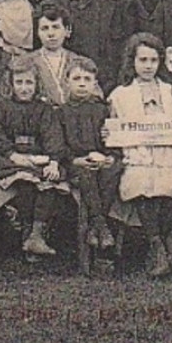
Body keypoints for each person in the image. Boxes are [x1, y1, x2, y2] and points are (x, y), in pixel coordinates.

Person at [107, 32, 172, 278]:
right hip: (139, 154)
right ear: (132, 61)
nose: (148, 66)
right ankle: (156, 244)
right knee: (142, 182)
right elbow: (116, 129)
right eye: (142, 60)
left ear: (160, 62)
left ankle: (166, 240)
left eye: (153, 60)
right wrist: (109, 133)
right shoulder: (120, 95)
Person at [0, 56, 69, 258]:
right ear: (11, 84)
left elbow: (53, 136)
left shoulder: (44, 109)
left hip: (37, 158)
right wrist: (13, 155)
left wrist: (54, 161)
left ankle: (36, 234)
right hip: (9, 159)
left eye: (29, 82)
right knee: (25, 182)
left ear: (37, 84)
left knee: (49, 180)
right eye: (19, 82)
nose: (24, 88)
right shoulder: (1, 107)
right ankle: (28, 235)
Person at [60, 56, 121, 254]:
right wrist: (75, 159)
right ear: (66, 82)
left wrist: (109, 155)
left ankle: (97, 229)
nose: (82, 84)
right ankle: (101, 225)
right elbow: (57, 144)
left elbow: (113, 139)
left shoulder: (102, 110)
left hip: (100, 162)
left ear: (95, 83)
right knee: (86, 174)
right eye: (76, 79)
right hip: (75, 163)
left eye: (87, 79)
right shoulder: (61, 112)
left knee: (112, 171)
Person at [26, 1, 83, 106]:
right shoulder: (26, 62)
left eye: (55, 27)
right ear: (37, 33)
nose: (51, 34)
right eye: (44, 28)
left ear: (67, 30)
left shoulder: (80, 63)